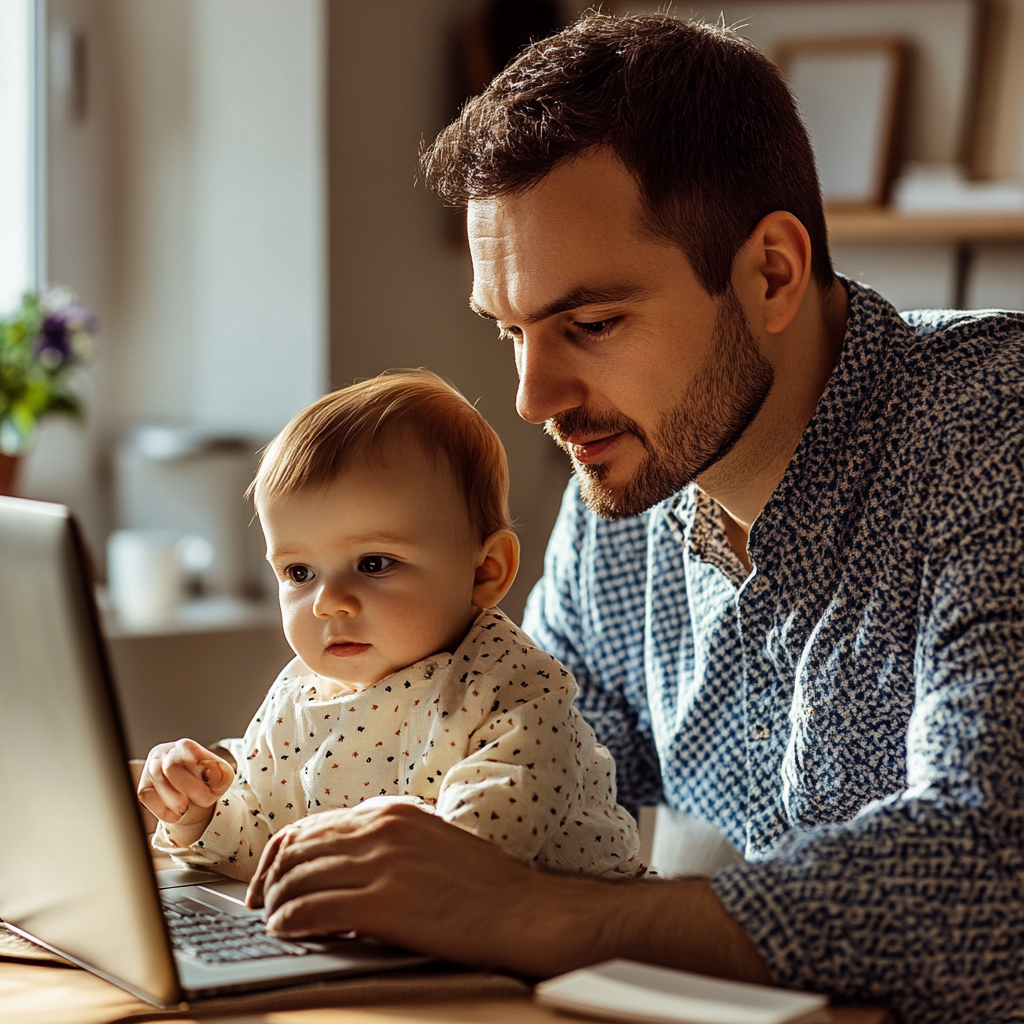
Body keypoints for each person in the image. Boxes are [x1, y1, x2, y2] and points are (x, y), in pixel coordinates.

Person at [244, 12, 1024, 1024]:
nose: (532, 396)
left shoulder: (992, 429)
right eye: (511, 330)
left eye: (592, 323)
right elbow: (528, 783)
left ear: (772, 273)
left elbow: (992, 875)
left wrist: (535, 915)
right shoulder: (620, 503)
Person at [136, 370, 642, 880]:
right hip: (384, 936)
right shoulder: (299, 697)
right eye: (299, 573)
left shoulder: (516, 690)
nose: (327, 603)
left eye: (374, 563)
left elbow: (481, 855)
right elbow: (266, 843)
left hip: (549, 942)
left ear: (486, 572)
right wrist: (201, 811)